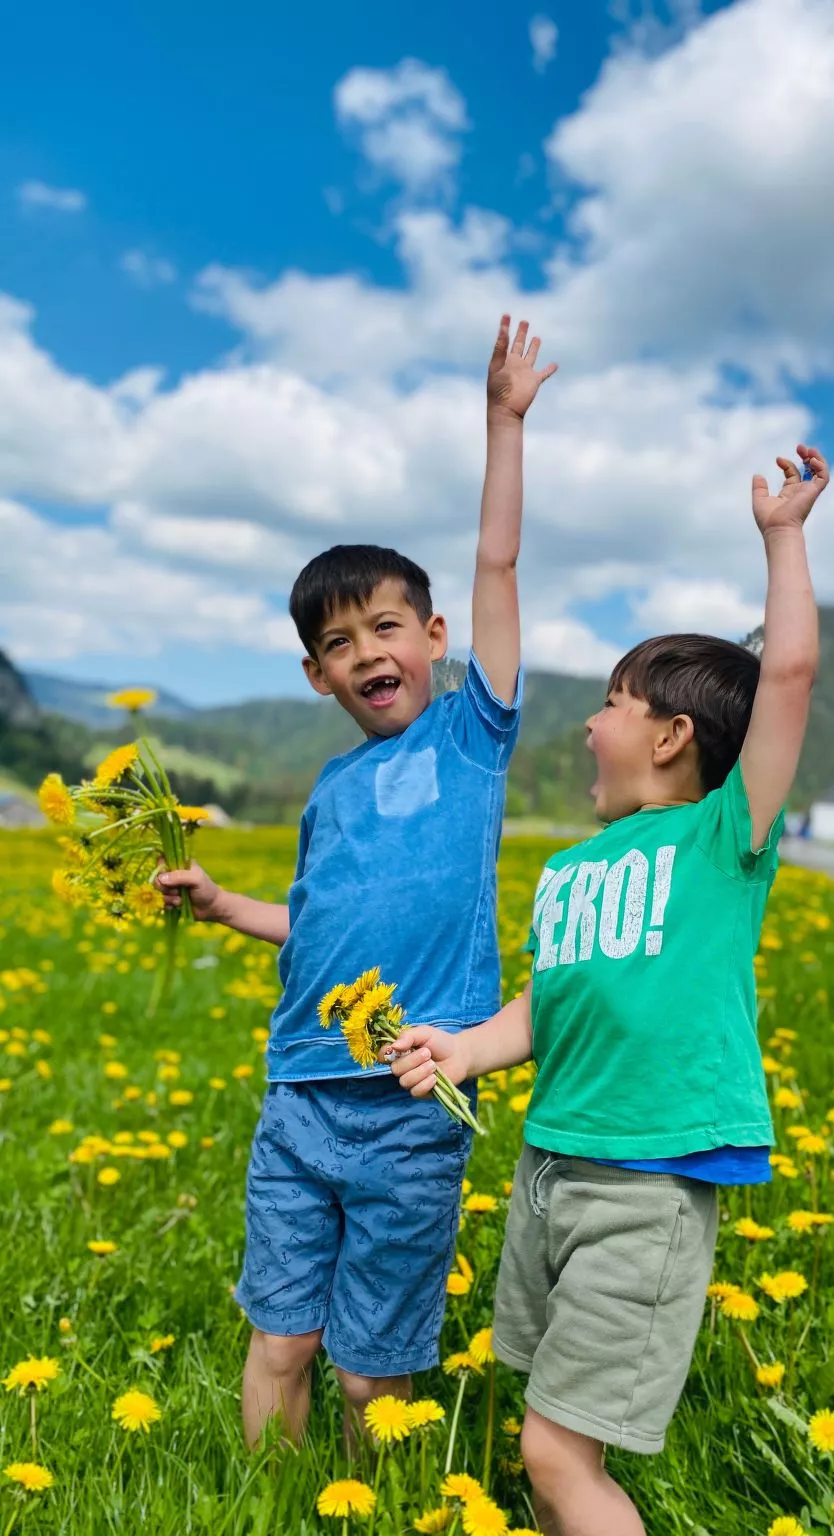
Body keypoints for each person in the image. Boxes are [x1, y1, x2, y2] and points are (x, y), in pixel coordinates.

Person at [385, 444, 829, 1536]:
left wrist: (782, 537)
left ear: (673, 737)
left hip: (645, 1181)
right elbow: (547, 1007)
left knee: (553, 1449)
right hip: (548, 1169)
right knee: (543, 1422)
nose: (587, 723)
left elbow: (786, 678)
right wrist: (462, 1049)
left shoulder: (727, 837)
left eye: (612, 704)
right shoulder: (570, 869)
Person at [157, 316, 557, 1448]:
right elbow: (319, 921)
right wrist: (225, 905)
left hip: (409, 1101)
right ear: (313, 671)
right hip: (297, 1094)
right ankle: (270, 1501)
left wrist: (502, 422)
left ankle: (360, 1500)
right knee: (279, 1338)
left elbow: (497, 564)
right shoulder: (330, 788)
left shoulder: (473, 740)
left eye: (388, 626)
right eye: (340, 642)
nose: (368, 651)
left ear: (434, 637)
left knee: (371, 1372)